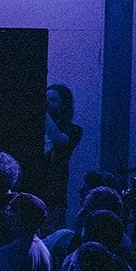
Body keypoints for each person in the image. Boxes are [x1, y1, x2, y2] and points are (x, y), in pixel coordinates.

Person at [37, 84, 83, 230]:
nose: (47, 102)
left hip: (54, 194)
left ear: (64, 105)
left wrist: (42, 112)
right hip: (35, 188)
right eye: (45, 98)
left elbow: (60, 141)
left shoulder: (74, 130)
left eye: (52, 99)